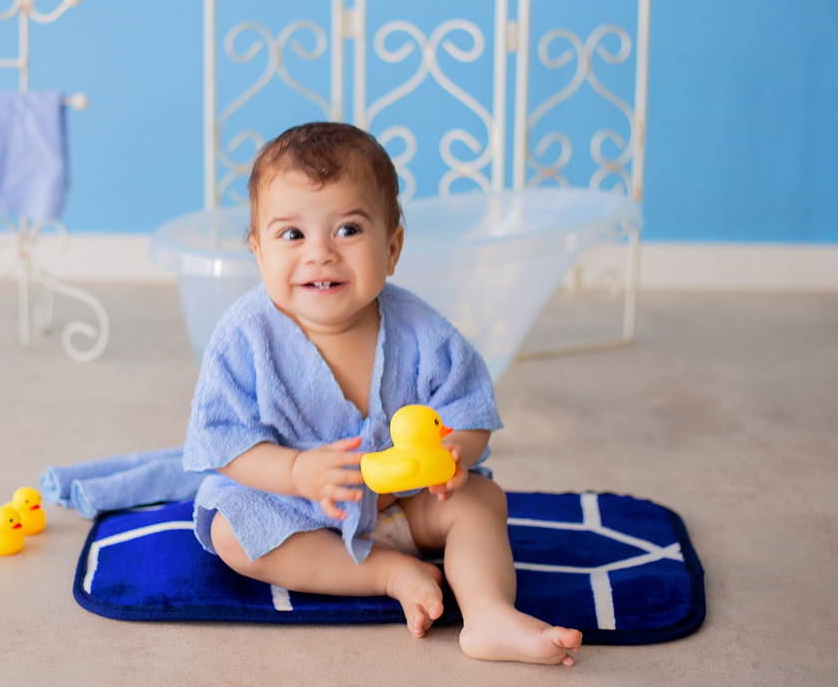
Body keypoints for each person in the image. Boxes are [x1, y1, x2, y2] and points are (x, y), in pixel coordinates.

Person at [182, 122, 582, 665]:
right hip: (301, 514)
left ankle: (488, 614)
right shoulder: (245, 335)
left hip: (409, 507)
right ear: (257, 251)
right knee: (231, 530)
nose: (319, 253)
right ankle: (385, 574)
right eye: (292, 235)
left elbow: (468, 407)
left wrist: (455, 452)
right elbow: (225, 442)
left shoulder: (421, 329)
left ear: (392, 248)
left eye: (347, 230)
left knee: (482, 502)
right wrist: (296, 474)